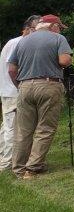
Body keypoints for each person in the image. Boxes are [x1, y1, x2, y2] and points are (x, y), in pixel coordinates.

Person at [8, 14, 73, 178]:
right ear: (53, 27)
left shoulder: (23, 41)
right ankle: (33, 168)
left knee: (23, 130)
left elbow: (11, 69)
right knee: (45, 128)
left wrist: (19, 85)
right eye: (59, 27)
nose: (60, 30)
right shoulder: (58, 39)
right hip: (49, 85)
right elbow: (65, 61)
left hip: (25, 86)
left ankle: (18, 168)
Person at [0, 16, 40, 172]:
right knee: (12, 127)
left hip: (9, 89)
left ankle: (4, 154)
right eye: (38, 30)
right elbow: (13, 69)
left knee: (7, 125)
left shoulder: (14, 42)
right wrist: (20, 86)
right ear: (29, 29)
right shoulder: (19, 43)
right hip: (13, 90)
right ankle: (7, 162)